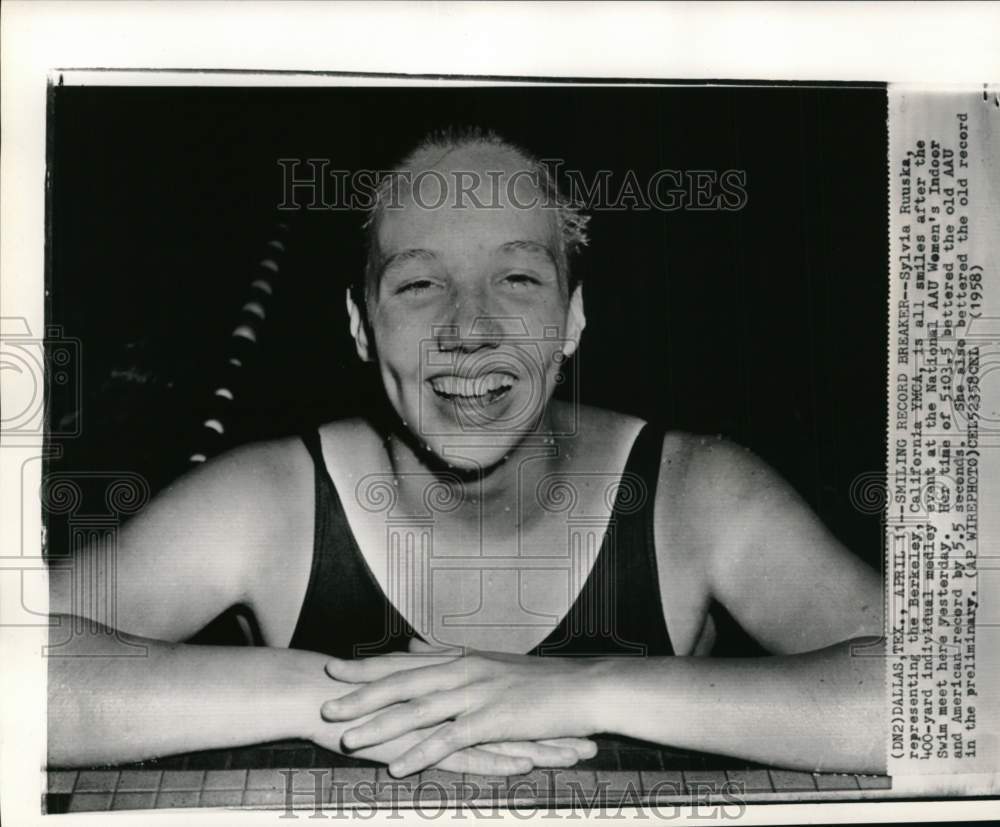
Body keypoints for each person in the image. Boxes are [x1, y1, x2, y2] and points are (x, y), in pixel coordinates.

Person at [47, 128, 885, 779]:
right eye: (418, 284)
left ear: (574, 317)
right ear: (359, 324)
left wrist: (583, 688)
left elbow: (951, 688)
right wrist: (335, 698)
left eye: (517, 280)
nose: (469, 328)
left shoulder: (694, 494)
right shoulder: (266, 503)